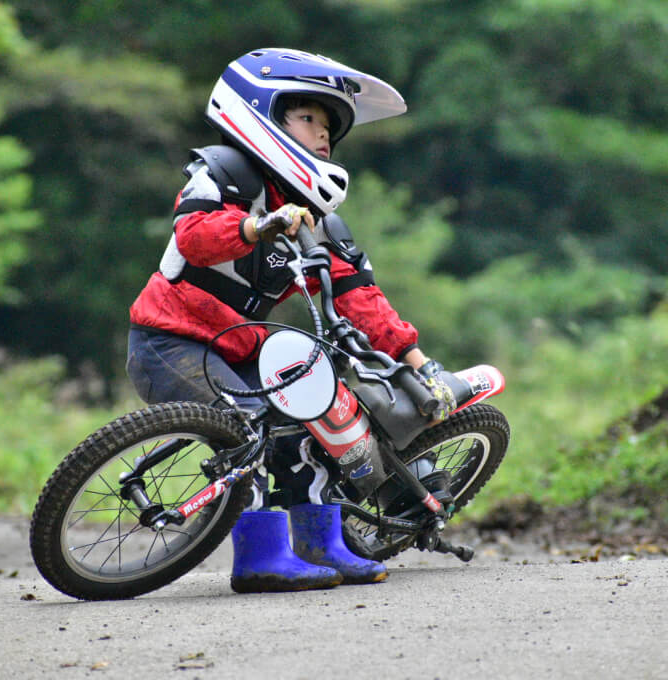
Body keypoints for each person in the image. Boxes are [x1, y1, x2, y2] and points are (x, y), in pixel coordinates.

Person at [126, 48, 458, 593]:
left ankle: (319, 545)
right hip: (169, 340)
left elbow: (362, 299)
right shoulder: (222, 172)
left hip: (240, 346)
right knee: (248, 425)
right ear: (264, 114)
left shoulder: (320, 218)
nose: (323, 135)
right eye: (308, 119)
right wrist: (261, 226)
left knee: (308, 423)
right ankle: (259, 560)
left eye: (329, 126)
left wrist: (418, 364)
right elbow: (196, 237)